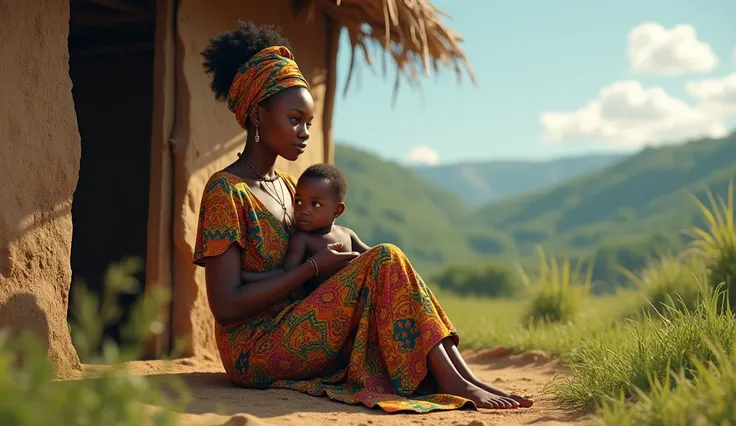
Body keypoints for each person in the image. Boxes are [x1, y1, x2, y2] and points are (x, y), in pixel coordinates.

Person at [193, 20, 534, 413]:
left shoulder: (291, 188)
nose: (304, 131)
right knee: (386, 256)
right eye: (293, 120)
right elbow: (225, 306)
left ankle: (463, 376)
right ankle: (456, 380)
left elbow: (316, 267)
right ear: (256, 115)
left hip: (298, 324)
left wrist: (341, 263)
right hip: (255, 350)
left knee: (385, 259)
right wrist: (312, 270)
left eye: (308, 121)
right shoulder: (226, 191)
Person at [240, 163, 371, 293]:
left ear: (337, 210)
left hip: (352, 297)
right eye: (298, 201)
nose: (304, 210)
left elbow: (372, 255)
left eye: (315, 204)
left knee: (387, 252)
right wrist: (248, 277)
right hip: (320, 305)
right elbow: (287, 273)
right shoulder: (302, 240)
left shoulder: (347, 234)